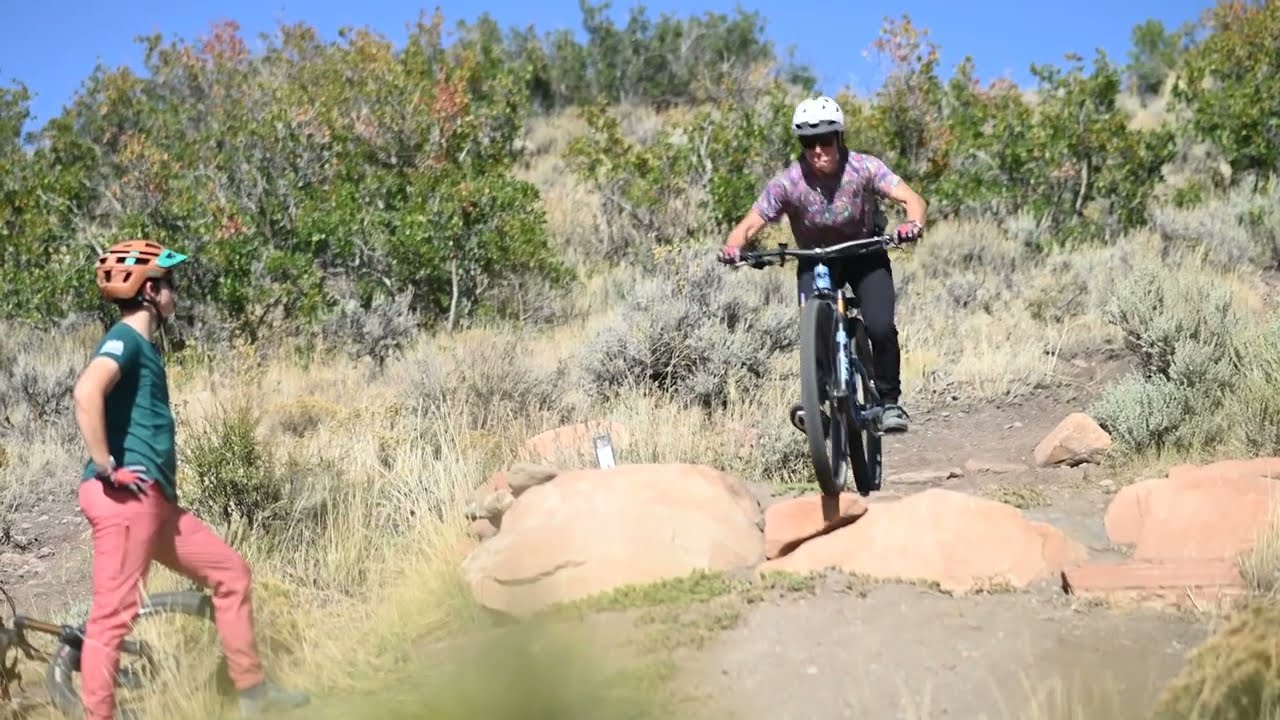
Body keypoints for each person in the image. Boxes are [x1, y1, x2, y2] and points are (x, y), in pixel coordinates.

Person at [71, 240, 310, 719]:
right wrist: (105, 465)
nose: (175, 293)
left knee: (232, 575)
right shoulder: (124, 341)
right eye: (170, 284)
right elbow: (86, 391)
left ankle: (253, 695)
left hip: (154, 504)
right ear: (150, 291)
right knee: (112, 618)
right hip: (126, 500)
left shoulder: (143, 346)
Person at [719, 95, 928, 434]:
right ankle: (817, 407)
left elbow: (911, 198)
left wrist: (912, 223)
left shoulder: (863, 167)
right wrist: (734, 247)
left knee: (880, 327)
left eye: (825, 140)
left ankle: (889, 402)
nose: (817, 150)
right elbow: (750, 224)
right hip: (816, 260)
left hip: (865, 255)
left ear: (839, 138)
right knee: (813, 326)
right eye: (808, 142)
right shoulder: (789, 182)